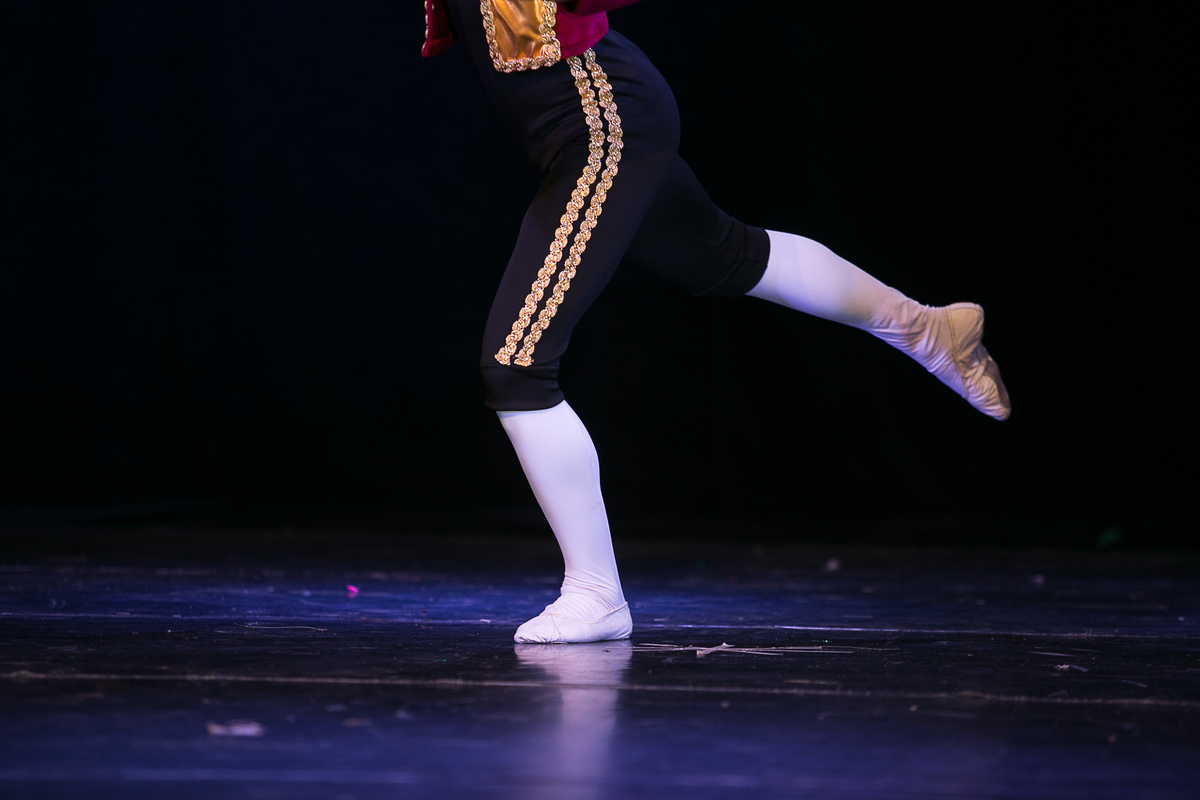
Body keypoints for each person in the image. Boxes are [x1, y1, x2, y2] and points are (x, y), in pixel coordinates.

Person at [422, 0, 1010, 644]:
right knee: (726, 254)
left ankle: (595, 591)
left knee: (517, 363)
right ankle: (929, 329)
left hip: (603, 120)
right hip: (589, 123)